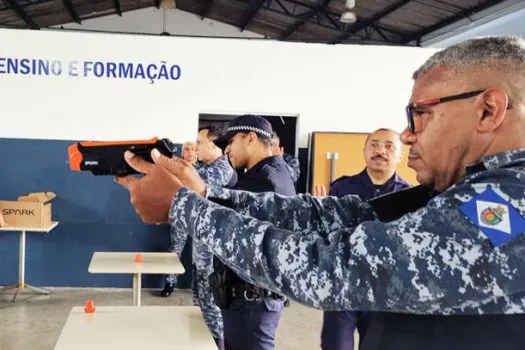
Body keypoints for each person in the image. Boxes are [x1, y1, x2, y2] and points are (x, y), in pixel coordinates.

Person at [117, 35, 525, 350]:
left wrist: (185, 207)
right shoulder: (460, 190)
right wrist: (208, 194)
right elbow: (337, 217)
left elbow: (331, 267)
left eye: (420, 113)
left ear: (489, 110)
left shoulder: (509, 204)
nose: (406, 133)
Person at [317, 128, 411, 350]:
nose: (380, 151)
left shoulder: (410, 196)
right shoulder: (341, 188)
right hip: (342, 287)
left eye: (389, 146)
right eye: (374, 144)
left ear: (400, 155)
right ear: (364, 151)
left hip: (383, 292)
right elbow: (327, 236)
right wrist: (320, 217)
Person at [161, 126, 236, 349]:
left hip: (213, 255)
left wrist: (161, 163)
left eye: (200, 143)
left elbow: (188, 182)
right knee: (200, 302)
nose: (196, 147)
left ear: (215, 145)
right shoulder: (208, 167)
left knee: (211, 307)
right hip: (203, 249)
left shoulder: (220, 170)